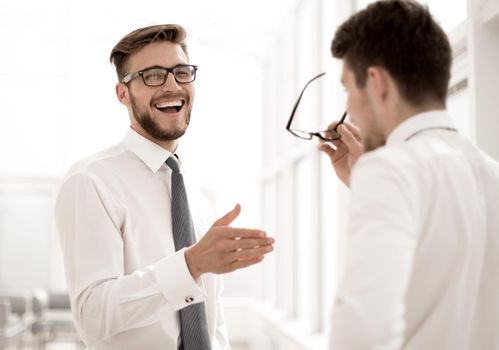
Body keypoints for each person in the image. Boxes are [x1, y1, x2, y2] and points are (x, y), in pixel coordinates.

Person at [54, 24, 274, 350]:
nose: (172, 85)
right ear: (122, 93)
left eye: (181, 72)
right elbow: (92, 315)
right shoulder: (90, 181)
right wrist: (191, 265)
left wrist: (199, 268)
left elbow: (213, 317)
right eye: (153, 75)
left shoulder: (197, 189)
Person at [319, 1, 499, 349]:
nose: (349, 110)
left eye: (347, 89)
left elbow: (361, 332)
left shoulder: (388, 170)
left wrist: (375, 182)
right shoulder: (493, 174)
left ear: (376, 82)